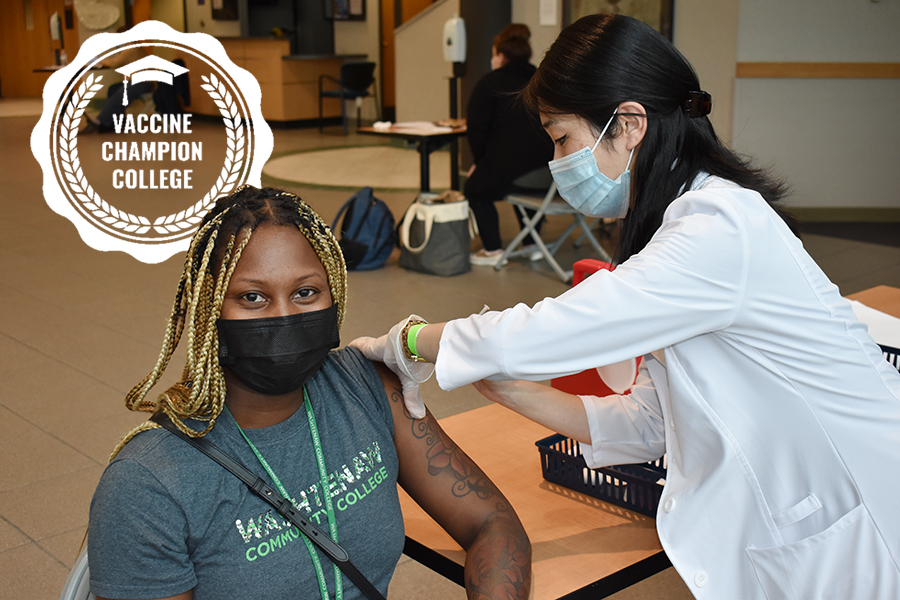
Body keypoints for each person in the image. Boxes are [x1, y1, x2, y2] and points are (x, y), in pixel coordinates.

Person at [351, 14, 900, 599]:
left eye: (561, 137)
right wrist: (509, 388)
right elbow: (649, 423)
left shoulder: (718, 226)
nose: (558, 159)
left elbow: (561, 327)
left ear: (630, 124)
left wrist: (407, 342)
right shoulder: (675, 231)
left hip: (859, 519)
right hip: (806, 517)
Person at [87, 186, 531, 600]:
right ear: (209, 312)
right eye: (253, 298)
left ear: (333, 295)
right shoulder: (146, 486)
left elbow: (492, 523)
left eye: (305, 292)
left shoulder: (367, 385)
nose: (283, 317)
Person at [465, 24, 553, 266]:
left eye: (494, 54)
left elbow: (476, 129)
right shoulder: (544, 81)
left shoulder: (489, 83)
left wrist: (480, 163)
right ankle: (531, 244)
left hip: (510, 172)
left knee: (474, 189)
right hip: (549, 176)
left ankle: (493, 250)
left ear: (501, 56)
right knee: (525, 178)